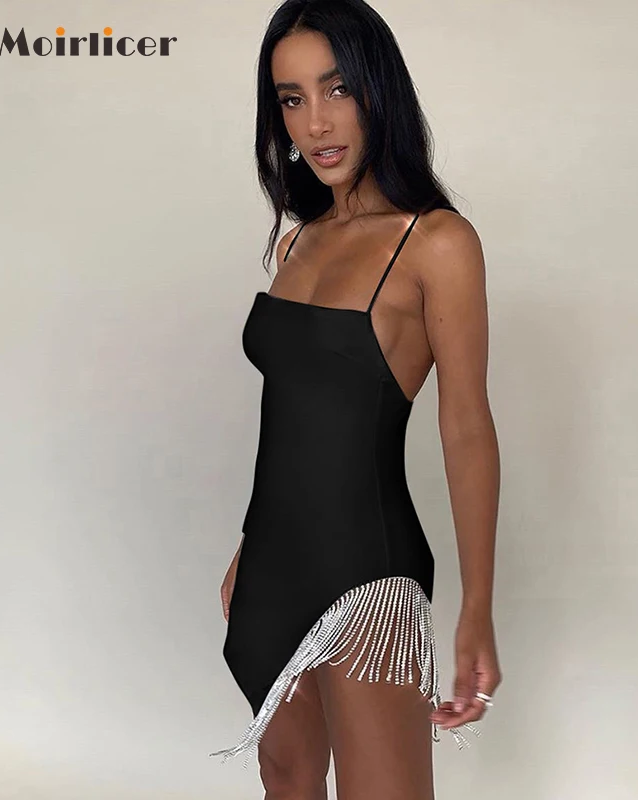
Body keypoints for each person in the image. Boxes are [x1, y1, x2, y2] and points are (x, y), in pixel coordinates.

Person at [210, 1, 502, 796]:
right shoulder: (298, 240)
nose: (316, 122)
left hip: (365, 575)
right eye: (292, 98)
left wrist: (477, 607)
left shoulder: (436, 242)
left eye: (337, 88)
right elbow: (293, 415)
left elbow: (466, 427)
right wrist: (249, 545)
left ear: (380, 90)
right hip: (272, 562)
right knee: (287, 777)